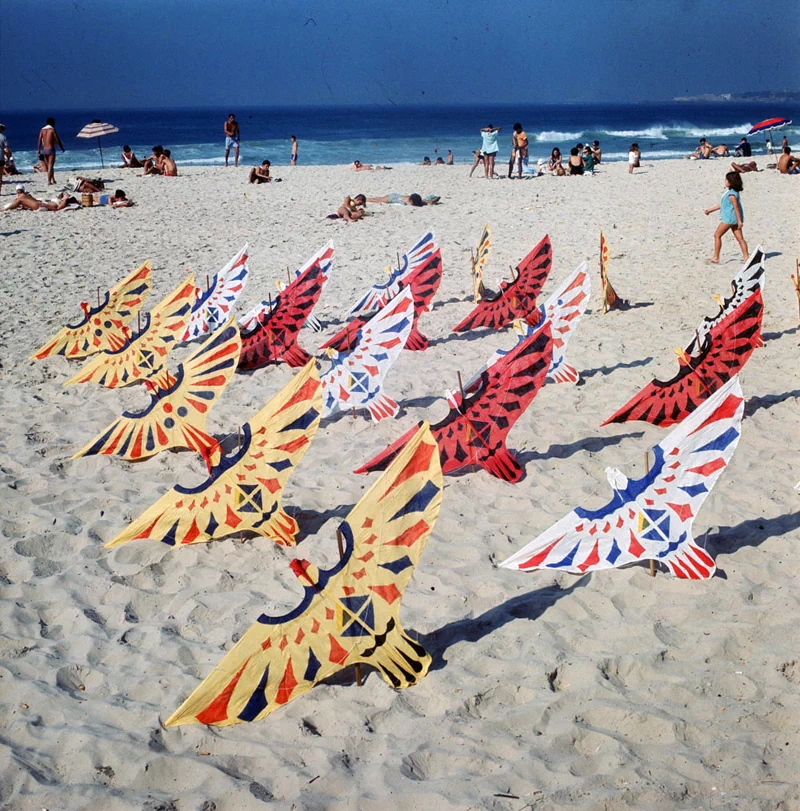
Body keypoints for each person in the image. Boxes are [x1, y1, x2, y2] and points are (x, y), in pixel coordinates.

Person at [704, 171, 748, 263]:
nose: (725, 181)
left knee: (717, 235)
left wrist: (740, 221)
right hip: (734, 219)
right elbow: (723, 205)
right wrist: (710, 210)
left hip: (729, 219)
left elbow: (736, 208)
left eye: (726, 180)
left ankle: (716, 257)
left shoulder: (731, 194)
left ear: (730, 182)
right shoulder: (732, 192)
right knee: (740, 239)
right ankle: (746, 257)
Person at [3, 184, 75, 212]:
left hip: (41, 205)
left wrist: (5, 209)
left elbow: (58, 208)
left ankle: (4, 210)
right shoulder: (26, 196)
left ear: (16, 191)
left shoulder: (21, 198)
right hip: (41, 204)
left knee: (19, 200)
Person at [37, 117, 65, 185]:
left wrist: (38, 150)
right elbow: (57, 140)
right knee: (50, 166)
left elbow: (39, 140)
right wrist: (62, 147)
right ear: (52, 123)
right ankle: (49, 181)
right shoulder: (52, 130)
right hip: (51, 149)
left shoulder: (42, 130)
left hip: (44, 150)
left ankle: (53, 179)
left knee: (50, 165)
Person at [365, 193, 440, 206]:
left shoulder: (411, 199)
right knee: (378, 200)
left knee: (378, 198)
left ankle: (366, 199)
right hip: (392, 198)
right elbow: (424, 202)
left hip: (395, 195)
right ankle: (365, 199)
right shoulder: (409, 201)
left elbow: (425, 201)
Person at [0, 124, 10, 195]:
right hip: (0, 158)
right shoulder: (3, 137)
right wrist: (8, 158)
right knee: (0, 175)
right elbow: (7, 150)